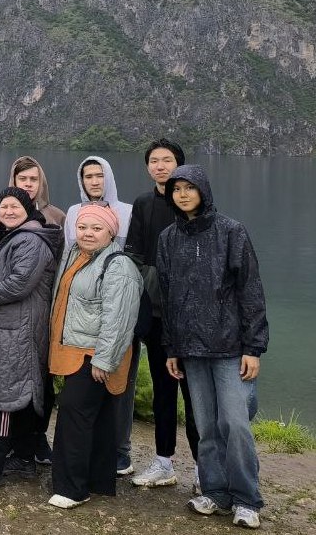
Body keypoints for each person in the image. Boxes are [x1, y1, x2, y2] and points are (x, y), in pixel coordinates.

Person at [159, 165, 268, 530]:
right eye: (177, 189)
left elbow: (250, 291)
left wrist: (253, 347)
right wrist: (171, 348)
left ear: (203, 190)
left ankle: (247, 499)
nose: (183, 194)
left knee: (235, 424)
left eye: (189, 187)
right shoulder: (168, 238)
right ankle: (216, 493)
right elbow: (168, 297)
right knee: (205, 426)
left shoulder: (231, 231)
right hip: (191, 349)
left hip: (230, 347)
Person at [0, 188, 61, 491]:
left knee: (3, 399)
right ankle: (23, 458)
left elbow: (18, 284)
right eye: (3, 206)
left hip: (19, 329)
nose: (8, 211)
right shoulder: (3, 236)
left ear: (28, 209)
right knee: (19, 395)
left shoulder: (30, 241)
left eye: (15, 206)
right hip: (8, 328)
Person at [47, 204, 140, 509]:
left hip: (93, 354)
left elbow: (119, 318)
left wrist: (104, 360)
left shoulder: (118, 265)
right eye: (83, 227)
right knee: (98, 418)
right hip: (76, 350)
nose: (88, 233)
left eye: (96, 228)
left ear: (111, 233)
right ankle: (98, 481)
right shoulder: (76, 254)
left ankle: (72, 489)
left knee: (74, 414)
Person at [125, 139, 200, 491]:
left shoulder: (192, 203)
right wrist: (152, 291)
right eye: (154, 160)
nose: (160, 166)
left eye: (166, 160)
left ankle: (204, 466)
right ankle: (163, 461)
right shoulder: (143, 204)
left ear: (179, 164)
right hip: (156, 314)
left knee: (196, 394)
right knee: (163, 389)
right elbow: (134, 254)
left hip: (192, 318)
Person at [0, 155, 65, 464]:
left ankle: (16, 453)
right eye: (22, 179)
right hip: (4, 321)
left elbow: (22, 281)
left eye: (33, 179)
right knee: (17, 387)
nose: (28, 185)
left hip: (29, 319)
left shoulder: (47, 225)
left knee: (24, 388)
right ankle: (23, 453)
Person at [62, 156, 137, 476]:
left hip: (117, 302)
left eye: (99, 175)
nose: (94, 181)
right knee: (82, 390)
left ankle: (120, 451)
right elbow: (70, 256)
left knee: (119, 384)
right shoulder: (73, 213)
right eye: (88, 176)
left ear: (109, 177)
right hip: (82, 312)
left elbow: (130, 258)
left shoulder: (127, 211)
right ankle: (93, 456)